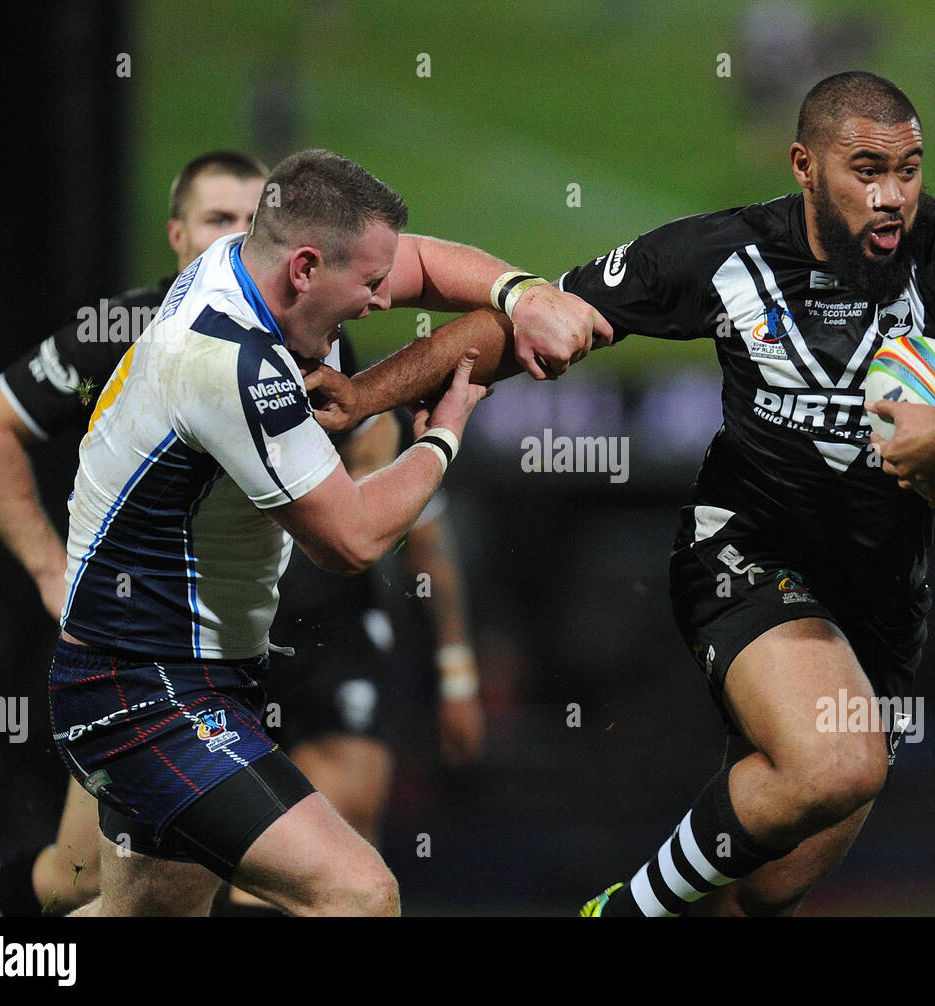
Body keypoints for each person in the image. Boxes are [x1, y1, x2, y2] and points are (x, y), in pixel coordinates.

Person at [303, 72, 935, 917]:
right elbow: (524, 327)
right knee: (841, 760)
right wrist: (367, 394)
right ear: (804, 165)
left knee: (763, 889)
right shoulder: (723, 255)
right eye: (866, 169)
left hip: (879, 604)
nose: (892, 196)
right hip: (743, 551)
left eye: (908, 169)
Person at [44, 147, 603, 917]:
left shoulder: (240, 265)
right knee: (358, 894)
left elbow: (417, 259)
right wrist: (440, 437)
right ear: (305, 268)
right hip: (148, 692)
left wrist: (522, 291)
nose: (380, 302)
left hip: (171, 671)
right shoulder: (230, 362)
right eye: (368, 287)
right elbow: (351, 542)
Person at [0, 150, 269, 916]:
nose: (237, 237)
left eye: (256, 223)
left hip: (253, 647)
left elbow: (356, 446)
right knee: (105, 885)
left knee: (120, 887)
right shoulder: (127, 327)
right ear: (176, 234)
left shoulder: (303, 332)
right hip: (143, 659)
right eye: (219, 219)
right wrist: (49, 570)